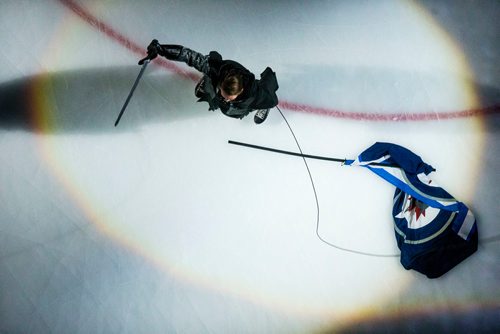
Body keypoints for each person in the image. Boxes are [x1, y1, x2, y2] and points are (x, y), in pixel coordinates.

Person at [139, 40, 279, 124]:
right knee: (211, 79)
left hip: (243, 105)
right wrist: (161, 49)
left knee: (235, 112)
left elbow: (273, 100)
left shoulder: (255, 94)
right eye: (224, 93)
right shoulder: (218, 70)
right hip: (217, 79)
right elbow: (190, 56)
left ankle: (257, 107)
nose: (224, 97)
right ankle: (208, 80)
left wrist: (265, 104)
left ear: (240, 92)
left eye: (228, 97)